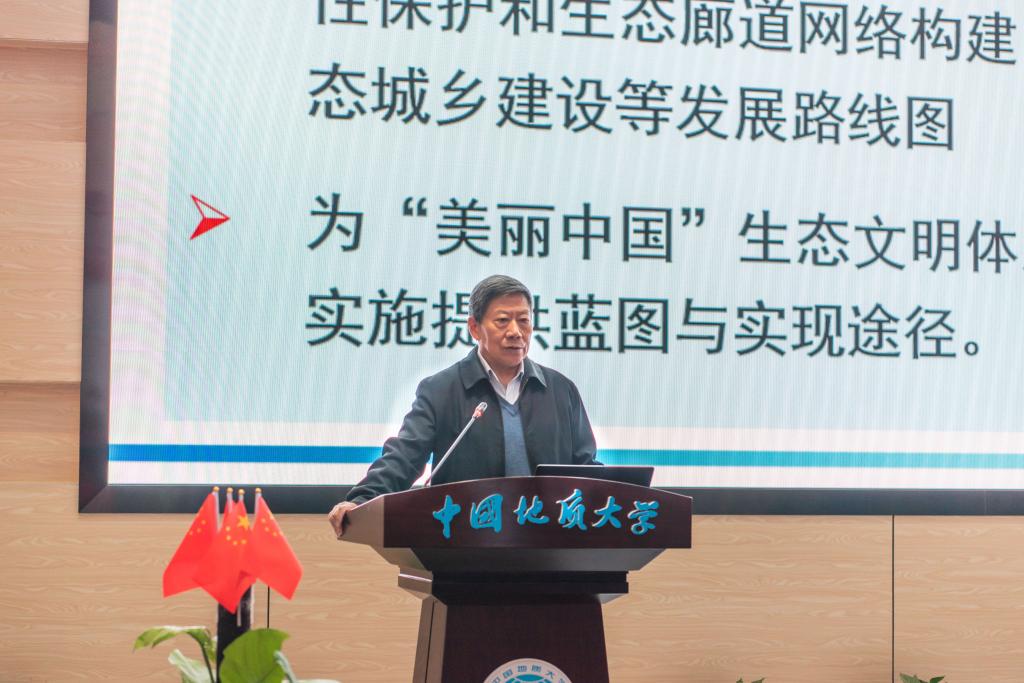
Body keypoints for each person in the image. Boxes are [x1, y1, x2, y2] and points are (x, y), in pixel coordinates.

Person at [328, 274, 599, 538]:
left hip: (548, 541)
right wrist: (363, 499)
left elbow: (585, 465)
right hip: (467, 539)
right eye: (502, 321)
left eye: (524, 321)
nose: (515, 332)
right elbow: (405, 456)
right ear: (474, 328)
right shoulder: (441, 390)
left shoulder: (560, 390)